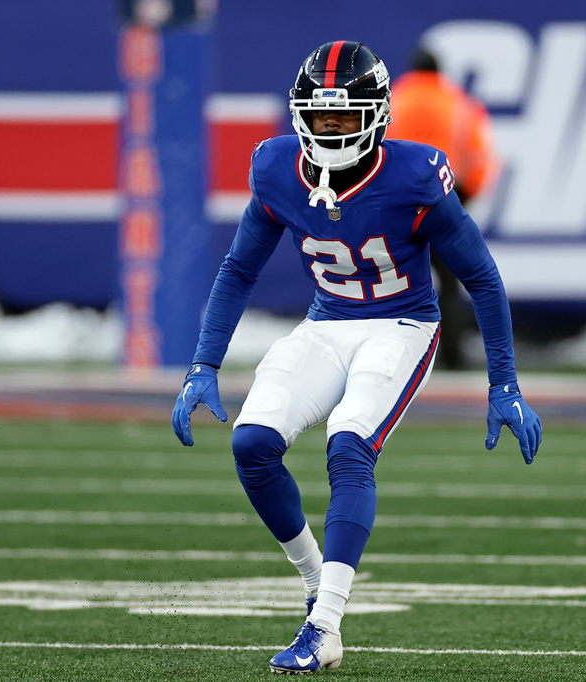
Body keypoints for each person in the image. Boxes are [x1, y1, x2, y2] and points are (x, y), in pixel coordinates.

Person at [171, 40, 541, 675]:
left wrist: (503, 383)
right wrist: (203, 364)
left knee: (348, 445)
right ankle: (319, 583)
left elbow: (481, 277)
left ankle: (324, 627)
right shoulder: (276, 168)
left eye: (345, 115)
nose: (332, 127)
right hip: (327, 323)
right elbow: (238, 269)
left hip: (401, 325)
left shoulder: (416, 174)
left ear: (376, 115)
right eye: (321, 115)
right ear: (301, 115)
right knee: (251, 444)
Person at [387, 47, 501, 370]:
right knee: (450, 281)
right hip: (444, 198)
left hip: (396, 201)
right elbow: (479, 157)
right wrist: (463, 197)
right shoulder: (460, 103)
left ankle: (397, 358)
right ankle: (452, 355)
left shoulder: (395, 99)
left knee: (396, 279)